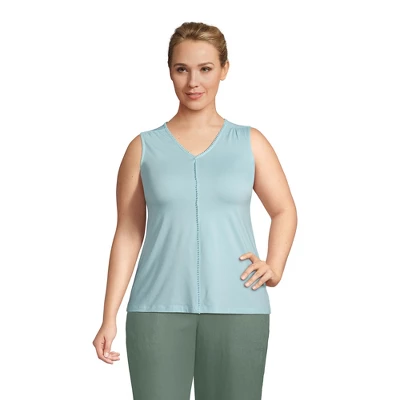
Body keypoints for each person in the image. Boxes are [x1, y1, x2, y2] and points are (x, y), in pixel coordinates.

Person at [93, 21, 297, 400]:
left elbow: (284, 209)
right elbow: (129, 232)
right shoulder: (143, 148)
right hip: (156, 309)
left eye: (205, 69)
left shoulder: (250, 142)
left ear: (224, 69)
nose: (193, 82)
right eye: (182, 69)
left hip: (239, 307)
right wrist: (109, 316)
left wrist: (275, 265)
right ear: (170, 71)